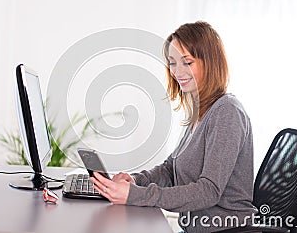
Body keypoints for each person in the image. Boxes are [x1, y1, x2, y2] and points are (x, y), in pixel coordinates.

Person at [89, 21, 257, 232]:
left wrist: (135, 195)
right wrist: (135, 181)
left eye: (187, 62)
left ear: (211, 63)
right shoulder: (200, 111)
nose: (177, 72)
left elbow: (209, 191)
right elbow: (171, 170)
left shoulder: (227, 112)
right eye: (172, 63)